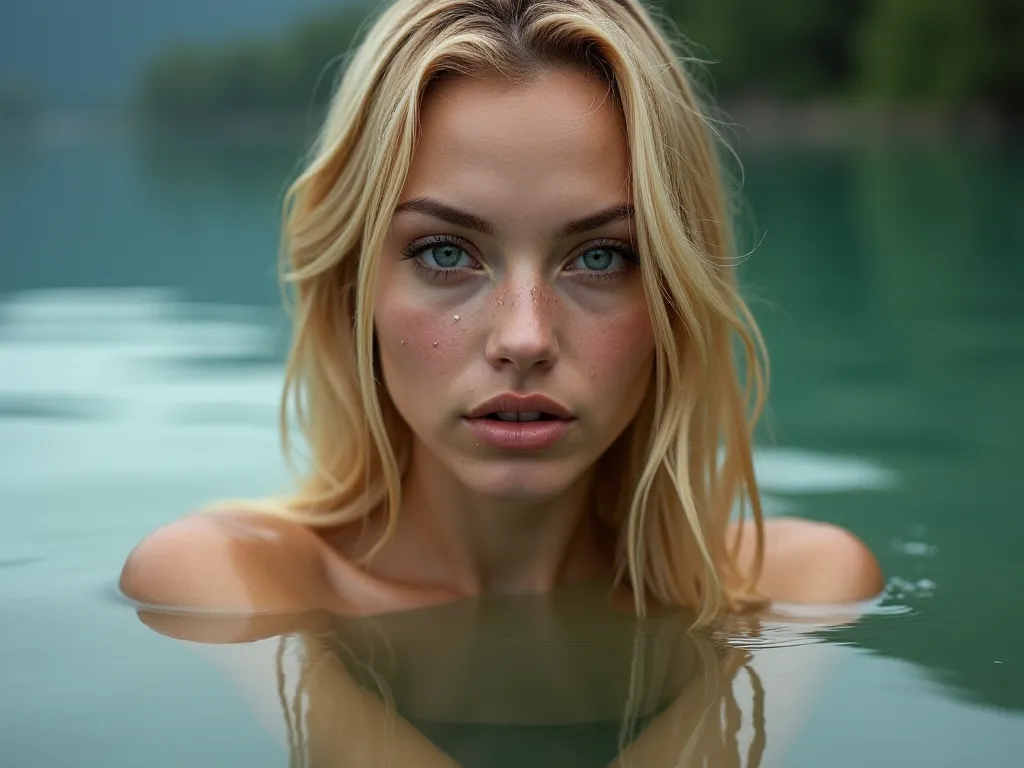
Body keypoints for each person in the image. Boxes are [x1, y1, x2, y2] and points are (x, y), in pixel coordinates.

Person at [120, 0, 884, 763]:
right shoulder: (224, 580)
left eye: (602, 256)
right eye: (446, 253)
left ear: (674, 297)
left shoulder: (798, 588)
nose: (525, 338)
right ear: (355, 284)